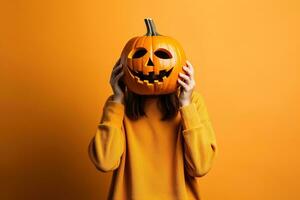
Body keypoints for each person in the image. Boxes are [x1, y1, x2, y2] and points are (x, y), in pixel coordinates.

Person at [88, 58, 218, 200]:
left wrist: (186, 105)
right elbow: (105, 162)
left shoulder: (193, 103)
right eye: (140, 55)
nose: (150, 64)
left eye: (162, 56)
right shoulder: (118, 105)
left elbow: (200, 167)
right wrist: (118, 101)